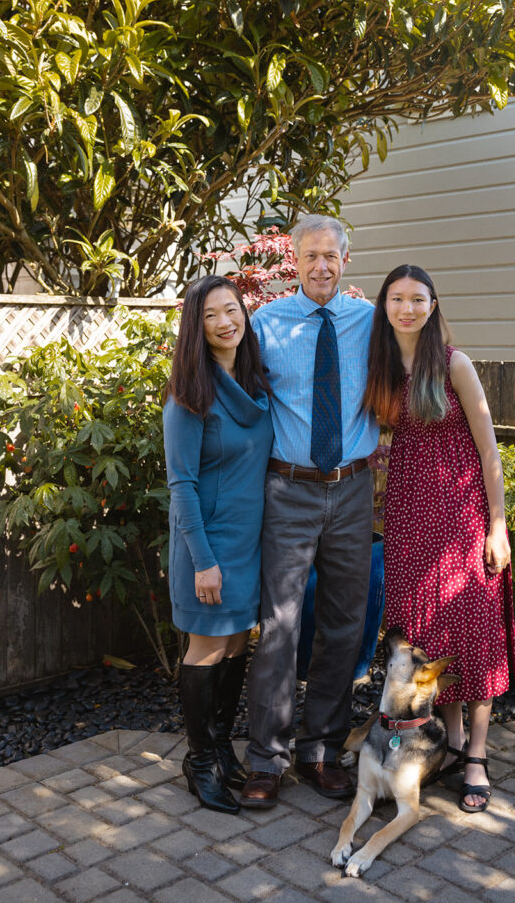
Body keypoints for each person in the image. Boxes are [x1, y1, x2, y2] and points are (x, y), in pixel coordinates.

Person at [364, 263, 515, 814]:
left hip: (462, 520)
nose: (408, 308)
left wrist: (497, 526)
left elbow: (490, 451)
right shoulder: (380, 367)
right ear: (385, 306)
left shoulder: (454, 364)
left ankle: (476, 755)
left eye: (418, 299)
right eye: (397, 299)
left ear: (433, 306)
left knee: (473, 634)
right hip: (408, 521)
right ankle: (451, 745)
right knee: (431, 640)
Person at [240, 214, 380, 808]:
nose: (321, 266)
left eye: (332, 256)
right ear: (294, 261)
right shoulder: (266, 324)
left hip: (352, 489)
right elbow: (238, 401)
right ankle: (266, 759)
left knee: (344, 623)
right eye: (311, 256)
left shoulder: (371, 323)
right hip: (288, 490)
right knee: (280, 625)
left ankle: (321, 748)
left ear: (346, 260)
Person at [163, 275, 273, 814]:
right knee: (205, 647)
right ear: (196, 326)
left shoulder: (255, 384)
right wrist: (203, 562)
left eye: (232, 310)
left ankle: (223, 749)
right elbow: (181, 483)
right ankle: (200, 760)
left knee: (235, 644)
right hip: (204, 548)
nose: (225, 322)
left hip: (247, 545)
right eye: (210, 315)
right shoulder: (189, 393)